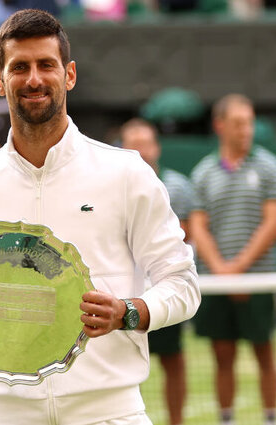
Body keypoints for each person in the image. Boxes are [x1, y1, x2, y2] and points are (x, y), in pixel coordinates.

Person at [0, 9, 200, 424]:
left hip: (110, 411)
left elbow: (183, 284)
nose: (34, 79)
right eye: (20, 67)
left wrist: (127, 311)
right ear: (0, 81)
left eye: (45, 65)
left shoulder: (125, 172)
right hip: (7, 413)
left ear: (69, 75)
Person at [190, 93, 276, 425]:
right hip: (215, 283)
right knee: (222, 356)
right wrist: (220, 272)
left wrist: (239, 270)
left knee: (264, 353)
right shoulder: (203, 172)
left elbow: (273, 222)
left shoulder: (270, 166)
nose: (247, 130)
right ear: (220, 126)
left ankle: (271, 418)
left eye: (250, 123)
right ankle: (226, 419)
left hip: (258, 280)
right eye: (239, 123)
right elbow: (199, 226)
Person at [121, 118, 195, 425]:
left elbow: (186, 233)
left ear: (156, 147)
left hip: (162, 288)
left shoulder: (177, 185)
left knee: (173, 360)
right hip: (122, 294)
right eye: (133, 144)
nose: (140, 151)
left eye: (145, 143)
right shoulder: (111, 188)